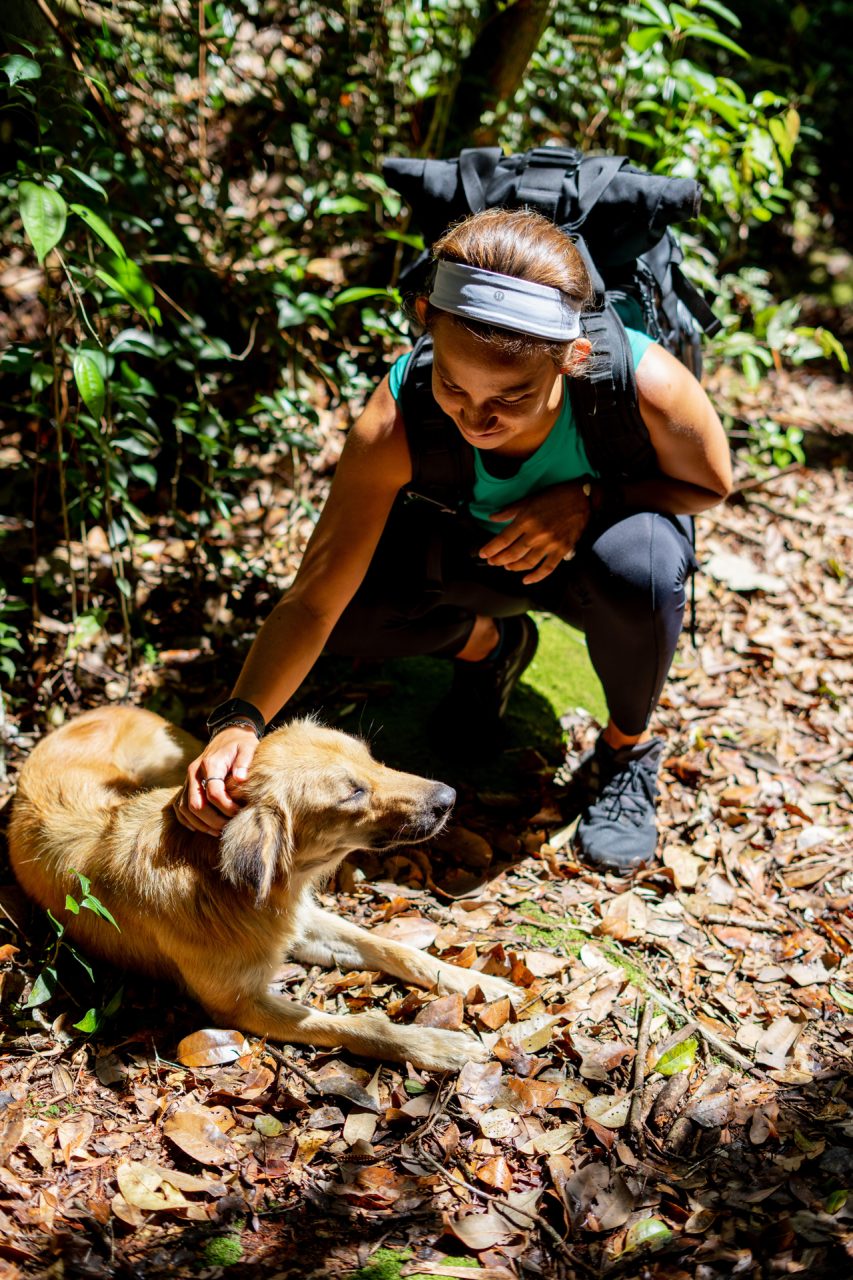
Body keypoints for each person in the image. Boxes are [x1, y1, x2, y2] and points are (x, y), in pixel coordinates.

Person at [174, 209, 732, 872]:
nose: (475, 416)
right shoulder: (397, 417)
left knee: (643, 567)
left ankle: (623, 752)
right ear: (424, 323)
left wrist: (590, 500)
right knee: (352, 613)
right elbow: (313, 599)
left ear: (571, 357)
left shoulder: (642, 385)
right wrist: (240, 720)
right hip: (475, 559)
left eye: (512, 394)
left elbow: (710, 485)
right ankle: (489, 648)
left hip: (593, 565)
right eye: (453, 385)